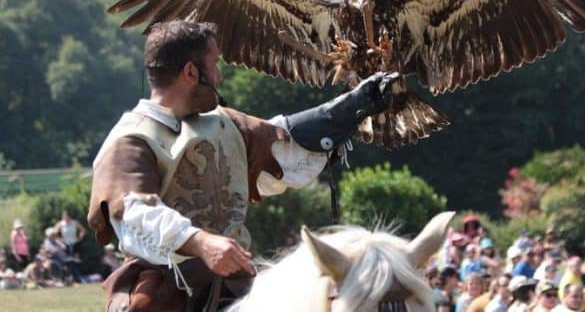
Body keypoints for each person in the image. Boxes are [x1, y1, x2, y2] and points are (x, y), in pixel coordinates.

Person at [86, 21, 400, 311]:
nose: (220, 76)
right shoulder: (130, 139)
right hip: (164, 295)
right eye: (216, 65)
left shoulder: (225, 124)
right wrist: (201, 242)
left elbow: (283, 140)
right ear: (192, 73)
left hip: (238, 288)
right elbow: (133, 213)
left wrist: (352, 106)